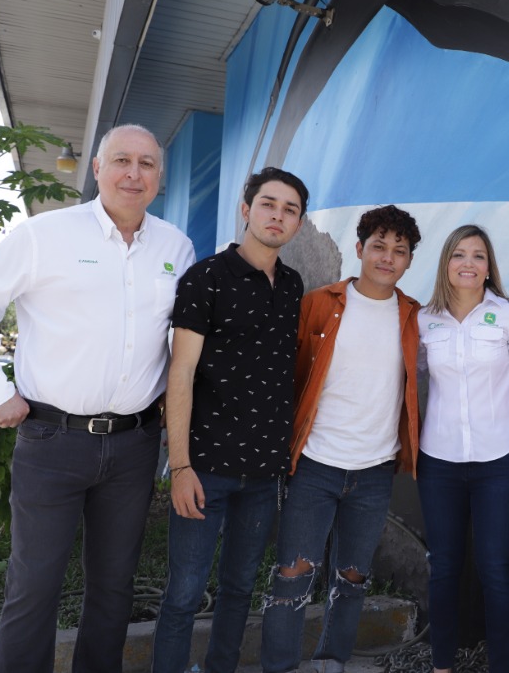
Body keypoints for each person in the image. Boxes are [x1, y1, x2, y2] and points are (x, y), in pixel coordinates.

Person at [0, 124, 195, 673]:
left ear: (160, 176)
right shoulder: (47, 235)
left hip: (133, 445)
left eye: (147, 163)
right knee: (34, 587)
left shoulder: (177, 246)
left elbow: (181, 341)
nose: (134, 174)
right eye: (121, 160)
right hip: (52, 441)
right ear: (97, 169)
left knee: (114, 587)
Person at [150, 167, 309, 673]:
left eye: (289, 209)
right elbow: (181, 373)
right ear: (246, 210)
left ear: (298, 223)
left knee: (239, 589)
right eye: (268, 204)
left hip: (263, 473)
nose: (277, 216)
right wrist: (179, 467)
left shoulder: (292, 285)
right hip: (205, 467)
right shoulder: (207, 278)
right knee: (184, 593)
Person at [261, 204, 422, 673]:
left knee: (352, 577)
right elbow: (290, 375)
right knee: (293, 573)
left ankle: (332, 660)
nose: (387, 257)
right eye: (378, 246)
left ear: (409, 260)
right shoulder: (320, 303)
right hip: (315, 464)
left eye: (399, 250)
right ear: (359, 249)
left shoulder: (413, 317)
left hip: (374, 470)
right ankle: (279, 666)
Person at [417, 225, 509, 673]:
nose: (468, 263)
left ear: (489, 267)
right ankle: (441, 666)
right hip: (439, 463)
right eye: (459, 254)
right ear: (445, 263)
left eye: (478, 255)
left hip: (500, 462)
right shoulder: (424, 320)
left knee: (496, 568)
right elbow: (414, 379)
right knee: (444, 567)